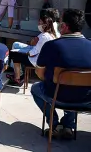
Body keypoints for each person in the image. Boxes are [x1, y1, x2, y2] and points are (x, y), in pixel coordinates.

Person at [32, 9, 91, 139]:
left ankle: (54, 125)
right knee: (74, 89)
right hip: (86, 99)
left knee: (36, 88)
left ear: (64, 26)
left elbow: (40, 73)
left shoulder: (51, 46)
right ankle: (69, 126)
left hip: (57, 96)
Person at [7, 9, 57, 86]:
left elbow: (34, 52)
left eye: (40, 22)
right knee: (16, 52)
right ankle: (18, 76)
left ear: (45, 25)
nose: (38, 23)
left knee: (14, 54)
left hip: (36, 60)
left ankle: (17, 78)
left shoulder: (44, 36)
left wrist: (25, 53)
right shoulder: (51, 35)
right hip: (40, 57)